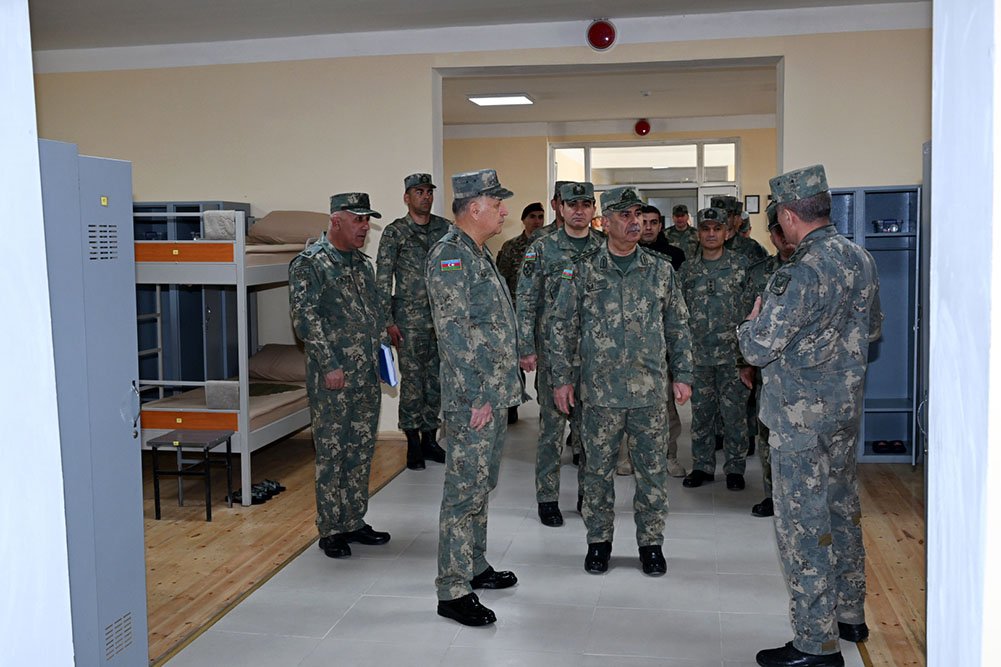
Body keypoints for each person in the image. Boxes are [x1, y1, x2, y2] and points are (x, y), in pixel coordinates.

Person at [738, 165, 882, 667]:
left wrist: (750, 322)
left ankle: (816, 643)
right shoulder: (860, 258)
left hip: (799, 421)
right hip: (843, 412)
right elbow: (872, 330)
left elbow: (757, 348)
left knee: (803, 525)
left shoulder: (799, 272)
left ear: (789, 215)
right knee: (842, 509)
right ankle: (850, 615)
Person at [549, 186, 693, 577]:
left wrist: (683, 374)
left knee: (652, 472)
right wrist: (561, 379)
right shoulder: (583, 270)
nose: (635, 222)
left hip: (649, 392)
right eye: (625, 215)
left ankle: (651, 544)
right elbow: (562, 326)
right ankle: (599, 542)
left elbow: (678, 326)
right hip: (600, 393)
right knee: (596, 473)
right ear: (606, 222)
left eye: (639, 215)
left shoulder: (660, 270)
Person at [426, 169, 522, 627]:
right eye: (497, 203)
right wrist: (476, 394)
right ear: (474, 207)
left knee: (482, 485)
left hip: (492, 393)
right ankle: (452, 588)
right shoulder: (450, 255)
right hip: (474, 398)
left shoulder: (478, 253)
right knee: (464, 491)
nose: (504, 211)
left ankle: (474, 563)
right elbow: (453, 333)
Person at [289, 192, 392, 559]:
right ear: (336, 221)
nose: (365, 227)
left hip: (365, 375)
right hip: (334, 377)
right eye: (358, 220)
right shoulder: (311, 264)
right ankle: (330, 528)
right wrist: (329, 364)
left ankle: (352, 519)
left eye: (367, 220)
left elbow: (374, 314)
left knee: (360, 449)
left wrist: (383, 357)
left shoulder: (362, 265)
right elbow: (306, 320)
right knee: (333, 452)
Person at [516, 182, 602, 527]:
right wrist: (526, 348)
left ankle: (587, 495)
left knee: (592, 433)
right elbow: (525, 300)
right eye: (572, 204)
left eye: (585, 204)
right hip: (555, 354)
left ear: (593, 208)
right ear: (560, 208)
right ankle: (547, 498)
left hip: (595, 356)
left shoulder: (604, 248)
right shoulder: (542, 248)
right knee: (552, 431)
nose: (579, 210)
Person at [375, 173, 450, 470]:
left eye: (429, 191)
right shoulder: (395, 233)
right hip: (409, 321)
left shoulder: (445, 229)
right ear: (407, 197)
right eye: (419, 192)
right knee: (412, 384)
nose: (426, 196)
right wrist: (387, 321)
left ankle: (430, 439)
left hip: (441, 321)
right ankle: (413, 443)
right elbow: (383, 279)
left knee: (435, 382)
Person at [679, 207, 753, 491]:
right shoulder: (687, 270)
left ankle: (735, 468)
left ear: (727, 232)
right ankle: (702, 466)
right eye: (705, 228)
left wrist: (748, 359)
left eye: (717, 229)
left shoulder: (742, 266)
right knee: (702, 415)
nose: (711, 234)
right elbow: (678, 315)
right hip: (699, 357)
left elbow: (753, 312)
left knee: (734, 416)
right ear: (698, 233)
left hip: (734, 357)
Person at [742, 202, 796, 518]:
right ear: (772, 235)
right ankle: (772, 494)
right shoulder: (760, 272)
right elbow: (749, 319)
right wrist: (746, 364)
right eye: (777, 231)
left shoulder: (812, 268)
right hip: (769, 371)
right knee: (768, 435)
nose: (784, 237)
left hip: (805, 373)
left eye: (785, 229)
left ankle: (798, 500)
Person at [638, 204, 688, 479]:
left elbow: (678, 306)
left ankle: (669, 455)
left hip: (662, 344)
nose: (648, 227)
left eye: (653, 222)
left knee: (665, 405)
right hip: (631, 345)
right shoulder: (627, 252)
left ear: (660, 225)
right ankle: (629, 457)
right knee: (628, 405)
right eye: (643, 221)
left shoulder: (675, 256)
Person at [497, 201, 546, 424]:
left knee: (545, 363)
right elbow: (501, 280)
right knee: (514, 363)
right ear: (524, 220)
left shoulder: (548, 246)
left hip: (542, 316)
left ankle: (546, 405)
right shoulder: (510, 247)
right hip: (516, 315)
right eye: (532, 217)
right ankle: (513, 403)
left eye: (540, 217)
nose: (537, 221)